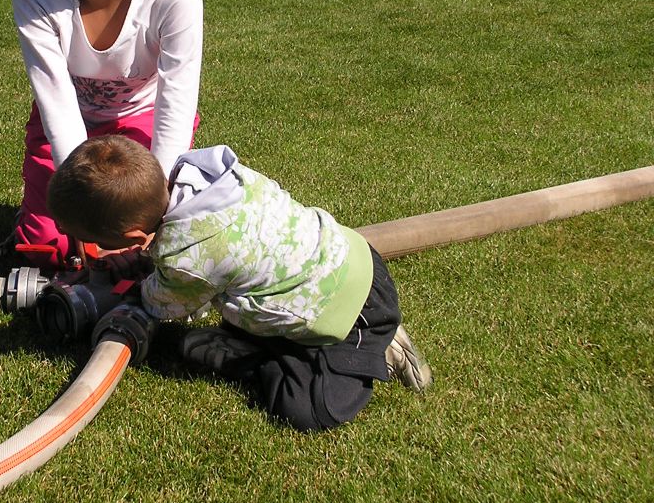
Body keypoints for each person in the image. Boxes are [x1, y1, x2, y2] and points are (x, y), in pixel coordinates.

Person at [47, 136, 433, 433]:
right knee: (247, 296)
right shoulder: (207, 178)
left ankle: (380, 348)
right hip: (356, 256)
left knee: (306, 408)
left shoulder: (189, 259)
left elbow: (160, 303)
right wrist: (146, 257)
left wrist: (131, 293)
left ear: (133, 237)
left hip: (352, 313)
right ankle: (259, 342)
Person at [9, 0, 204, 273]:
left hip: (142, 121)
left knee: (135, 241)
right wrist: (80, 204)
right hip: (71, 121)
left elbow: (176, 104)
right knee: (49, 251)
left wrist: (154, 206)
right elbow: (56, 101)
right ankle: (36, 218)